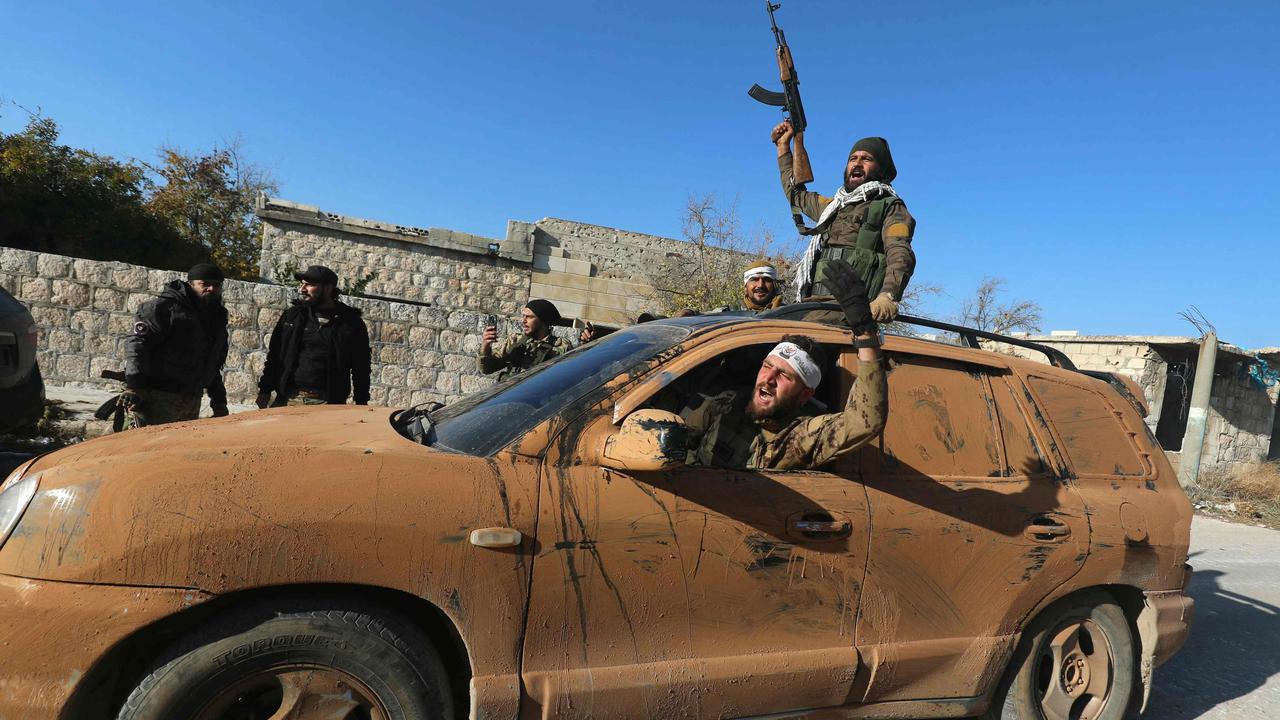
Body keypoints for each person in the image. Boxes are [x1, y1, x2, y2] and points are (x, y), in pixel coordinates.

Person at [678, 265, 887, 470]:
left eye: (784, 375)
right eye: (767, 366)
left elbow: (863, 422)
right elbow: (676, 439)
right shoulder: (727, 404)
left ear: (805, 394)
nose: (769, 379)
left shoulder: (796, 439)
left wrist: (865, 335)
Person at [772, 120, 917, 322]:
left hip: (849, 309)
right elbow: (796, 195)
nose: (857, 163)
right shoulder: (833, 207)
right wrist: (783, 147)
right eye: (853, 158)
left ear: (880, 169)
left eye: (866, 159)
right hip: (812, 304)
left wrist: (888, 295)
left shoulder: (889, 206)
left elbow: (900, 252)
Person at [120, 263, 229, 427]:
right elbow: (138, 346)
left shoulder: (215, 318)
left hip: (191, 400)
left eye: (216, 285)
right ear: (191, 284)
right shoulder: (162, 309)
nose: (211, 289)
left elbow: (212, 361)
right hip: (158, 397)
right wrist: (135, 387)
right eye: (205, 284)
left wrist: (218, 401)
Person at [256, 265, 371, 407]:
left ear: (328, 288)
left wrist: (361, 401)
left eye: (309, 284)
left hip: (328, 404)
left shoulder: (350, 324)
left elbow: (361, 367)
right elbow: (275, 357)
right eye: (302, 284)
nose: (302, 289)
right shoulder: (292, 317)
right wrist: (265, 390)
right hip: (288, 399)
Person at [478, 299, 576, 379]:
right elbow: (487, 369)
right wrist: (485, 345)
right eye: (523, 316)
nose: (524, 321)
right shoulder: (516, 340)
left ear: (542, 320)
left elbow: (570, 376)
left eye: (529, 317)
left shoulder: (561, 346)